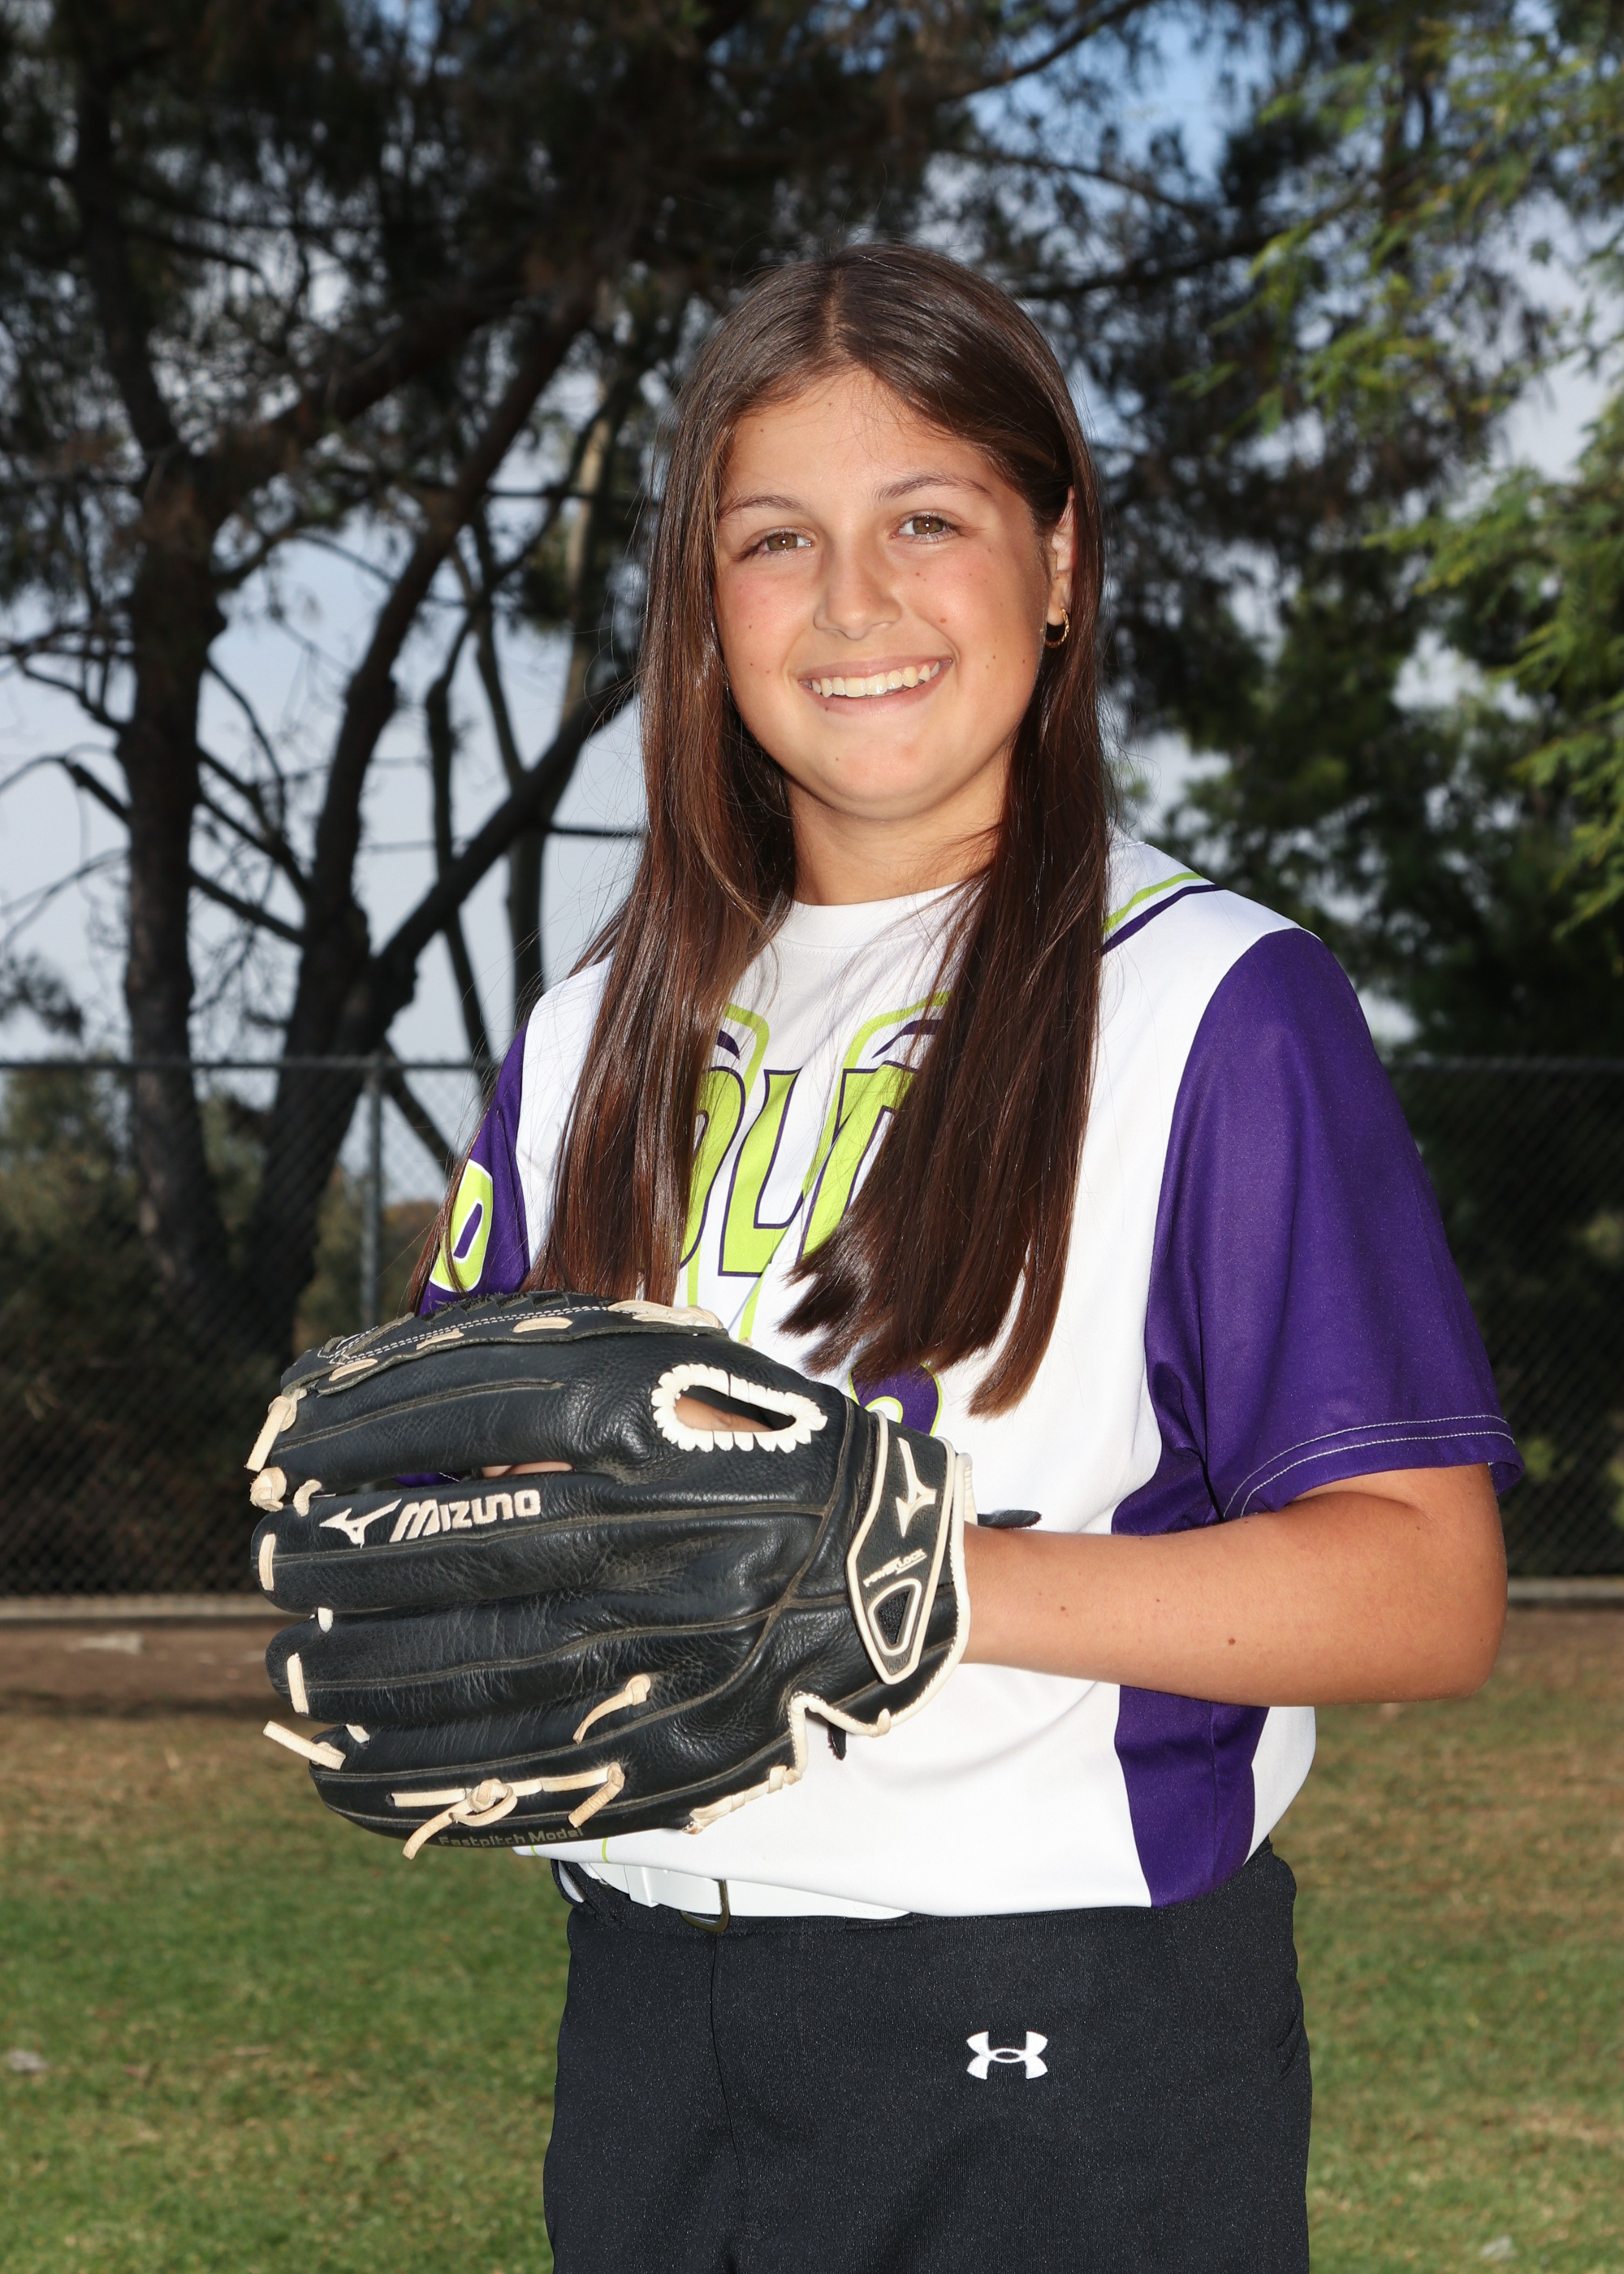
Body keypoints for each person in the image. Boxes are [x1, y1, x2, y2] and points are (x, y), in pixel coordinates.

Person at [410, 244, 1518, 2273]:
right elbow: (473, 1497)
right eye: (774, 539)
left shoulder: (1210, 996)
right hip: (647, 2011)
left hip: (1059, 2027)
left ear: (1059, 557)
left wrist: (906, 1572)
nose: (853, 602)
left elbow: (1424, 1585)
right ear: (701, 604)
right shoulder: (592, 1028)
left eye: (925, 518)